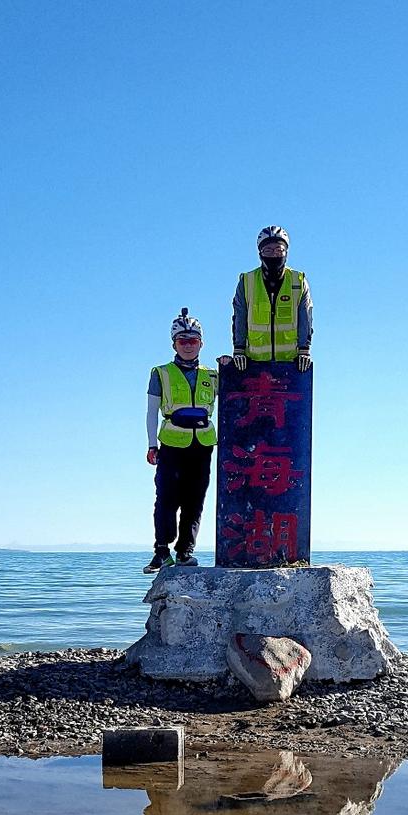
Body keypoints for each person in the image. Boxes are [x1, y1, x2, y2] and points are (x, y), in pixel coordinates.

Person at [144, 310, 218, 574]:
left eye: (193, 340)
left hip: (203, 443)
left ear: (201, 343)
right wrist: (152, 444)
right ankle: (161, 551)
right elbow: (152, 410)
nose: (188, 345)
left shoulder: (214, 374)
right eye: (182, 340)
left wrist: (232, 365)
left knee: (195, 499)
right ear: (174, 343)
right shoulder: (160, 373)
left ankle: (185, 551)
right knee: (166, 497)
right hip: (172, 443)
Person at [231, 225, 313, 369]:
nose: (274, 255)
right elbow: (239, 316)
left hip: (290, 364)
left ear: (286, 252)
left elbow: (305, 316)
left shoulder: (298, 281)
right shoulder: (247, 281)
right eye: (268, 250)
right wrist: (239, 349)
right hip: (254, 362)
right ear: (260, 254)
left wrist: (304, 350)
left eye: (279, 250)